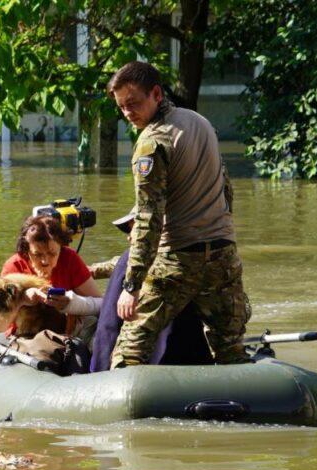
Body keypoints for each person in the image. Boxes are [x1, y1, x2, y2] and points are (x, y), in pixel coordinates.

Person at [107, 61, 251, 368]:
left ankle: (126, 413)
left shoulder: (151, 141)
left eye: (133, 104)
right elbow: (227, 189)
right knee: (230, 349)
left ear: (156, 94)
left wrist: (130, 287)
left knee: (130, 349)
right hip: (223, 253)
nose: (128, 113)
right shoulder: (200, 122)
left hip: (178, 256)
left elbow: (148, 218)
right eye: (121, 108)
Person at [0, 214, 103, 329]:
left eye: (52, 253)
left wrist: (71, 303)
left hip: (66, 333)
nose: (45, 261)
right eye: (37, 254)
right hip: (25, 336)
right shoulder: (14, 266)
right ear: (26, 249)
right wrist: (22, 300)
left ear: (61, 247)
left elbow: (102, 305)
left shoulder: (69, 258)